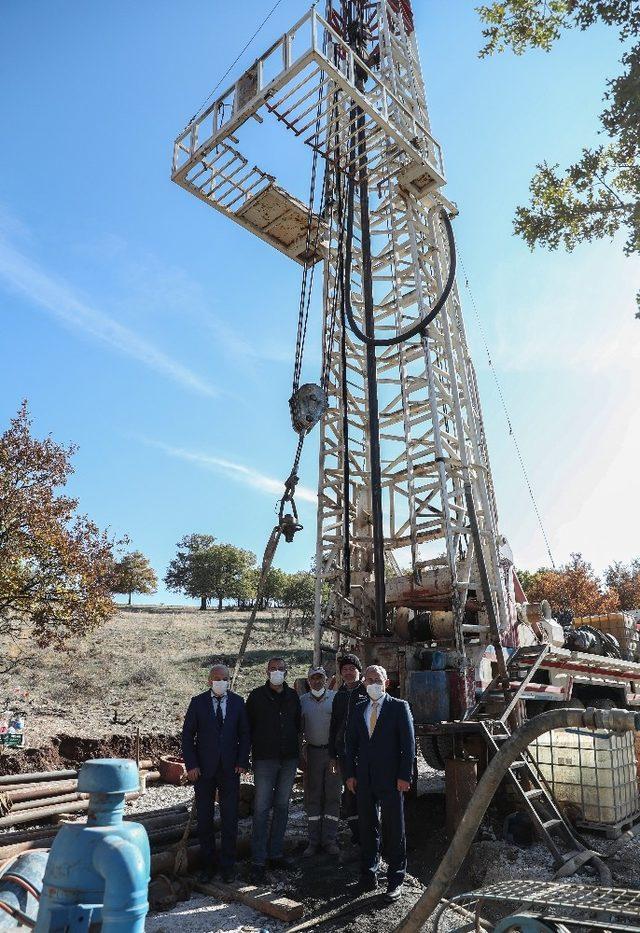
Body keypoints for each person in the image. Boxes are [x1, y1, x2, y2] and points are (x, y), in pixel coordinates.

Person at [345, 664, 415, 903]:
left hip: (392, 779)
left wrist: (405, 776)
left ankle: (396, 879)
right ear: (363, 683)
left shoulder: (399, 707)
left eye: (377, 679)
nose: (373, 683)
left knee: (394, 828)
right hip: (364, 778)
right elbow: (350, 745)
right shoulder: (359, 709)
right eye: (369, 679)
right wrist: (350, 774)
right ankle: (369, 874)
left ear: (386, 682)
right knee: (367, 827)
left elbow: (408, 745)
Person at [182, 663, 250, 883]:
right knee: (205, 819)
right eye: (216, 678)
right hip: (203, 771)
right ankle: (208, 866)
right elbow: (187, 736)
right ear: (209, 680)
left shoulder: (238, 702)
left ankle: (228, 866)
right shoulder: (198, 703)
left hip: (230, 769)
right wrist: (191, 765)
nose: (220, 682)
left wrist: (242, 761)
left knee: (230, 818)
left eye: (224, 678)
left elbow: (244, 735)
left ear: (229, 680)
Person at [246, 657, 301, 883]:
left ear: (286, 672)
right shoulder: (256, 697)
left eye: (280, 669)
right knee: (261, 808)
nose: (277, 672)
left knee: (282, 806)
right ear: (266, 672)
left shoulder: (293, 697)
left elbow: (298, 725)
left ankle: (276, 852)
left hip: (288, 759)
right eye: (273, 669)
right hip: (265, 759)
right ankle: (258, 858)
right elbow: (247, 728)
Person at [300, 666, 342, 857]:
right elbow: (298, 730)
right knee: (313, 797)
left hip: (332, 754)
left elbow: (342, 727)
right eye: (313, 679)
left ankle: (330, 840)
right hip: (312, 753)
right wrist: (301, 755)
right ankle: (313, 841)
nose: (317, 681)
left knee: (333, 796)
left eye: (320, 678)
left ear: (326, 680)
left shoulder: (335, 699)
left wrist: (338, 755)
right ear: (308, 681)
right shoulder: (302, 702)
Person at [328, 653, 368, 847]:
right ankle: (357, 836)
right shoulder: (339, 696)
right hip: (344, 754)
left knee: (366, 792)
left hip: (365, 754)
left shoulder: (367, 693)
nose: (349, 672)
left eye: (352, 669)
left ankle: (371, 833)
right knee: (350, 794)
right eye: (345, 670)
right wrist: (332, 755)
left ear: (359, 671)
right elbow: (334, 726)